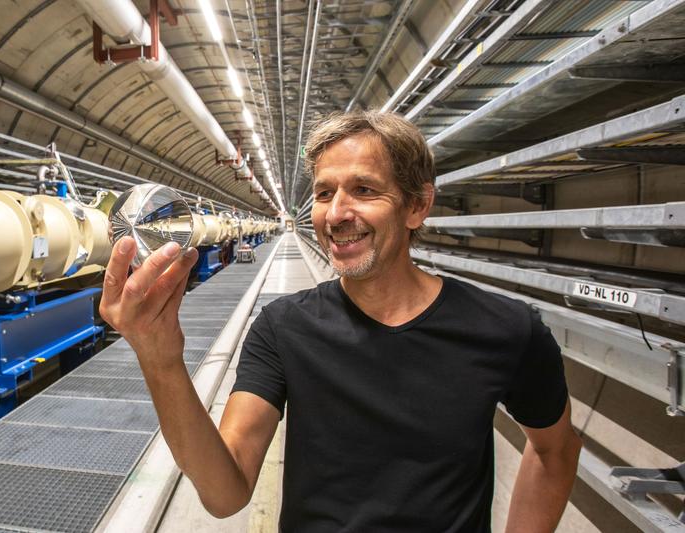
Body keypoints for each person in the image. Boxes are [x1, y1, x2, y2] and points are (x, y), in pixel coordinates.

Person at [99, 111, 582, 532]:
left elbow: (554, 451)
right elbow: (226, 495)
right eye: (324, 193)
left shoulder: (504, 329)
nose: (336, 213)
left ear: (417, 206)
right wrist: (160, 360)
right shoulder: (283, 328)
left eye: (364, 190)